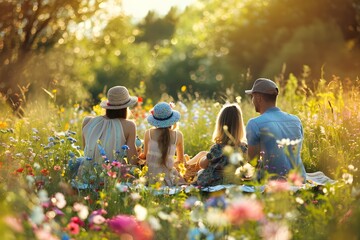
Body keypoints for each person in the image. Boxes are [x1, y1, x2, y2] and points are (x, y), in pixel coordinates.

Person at [245, 78, 306, 182]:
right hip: (300, 180)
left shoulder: (254, 123)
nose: (252, 100)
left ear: (259, 97)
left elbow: (253, 161)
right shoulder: (296, 120)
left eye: (252, 96)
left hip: (274, 183)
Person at [77, 86, 139, 179]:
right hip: (111, 178)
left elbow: (87, 150)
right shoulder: (129, 125)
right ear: (126, 107)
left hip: (86, 176)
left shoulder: (88, 121)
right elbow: (133, 161)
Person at [195, 103, 248, 187]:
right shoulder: (243, 148)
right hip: (233, 182)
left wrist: (204, 157)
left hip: (213, 183)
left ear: (220, 125)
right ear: (240, 126)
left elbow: (203, 165)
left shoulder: (217, 148)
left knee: (199, 172)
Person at [141, 102, 186, 186]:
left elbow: (145, 156)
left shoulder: (149, 133)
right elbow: (180, 161)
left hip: (150, 179)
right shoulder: (178, 135)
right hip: (167, 180)